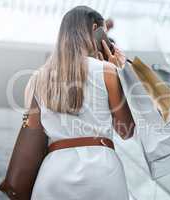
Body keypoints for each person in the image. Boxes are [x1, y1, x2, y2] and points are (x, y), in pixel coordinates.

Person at [24, 6, 135, 200]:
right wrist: (121, 74)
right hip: (102, 172)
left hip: (53, 172)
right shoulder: (107, 71)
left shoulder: (36, 78)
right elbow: (126, 131)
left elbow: (33, 129)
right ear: (95, 28)